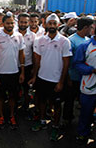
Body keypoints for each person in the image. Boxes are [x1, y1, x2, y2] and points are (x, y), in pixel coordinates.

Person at [29, 13, 72, 141]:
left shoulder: (65, 41)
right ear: (46, 24)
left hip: (56, 80)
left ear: (58, 25)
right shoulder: (39, 40)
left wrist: (61, 82)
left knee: (57, 105)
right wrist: (35, 77)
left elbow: (66, 63)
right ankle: (42, 121)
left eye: (54, 23)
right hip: (42, 78)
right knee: (42, 101)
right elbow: (37, 61)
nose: (52, 26)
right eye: (50, 23)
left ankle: (55, 125)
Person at [0, 14, 25, 130]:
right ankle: (1, 116)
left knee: (12, 96)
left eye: (12, 23)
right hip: (0, 73)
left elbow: (21, 54)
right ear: (3, 24)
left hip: (14, 73)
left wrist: (22, 72)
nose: (10, 25)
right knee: (0, 97)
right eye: (7, 23)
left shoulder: (19, 36)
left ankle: (11, 116)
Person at [62, 17, 94, 125]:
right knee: (69, 100)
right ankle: (67, 119)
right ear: (85, 27)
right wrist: (68, 77)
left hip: (83, 77)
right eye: (90, 27)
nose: (91, 30)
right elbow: (67, 61)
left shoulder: (87, 40)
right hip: (72, 76)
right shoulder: (71, 40)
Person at [17, 12, 36, 118]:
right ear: (18, 22)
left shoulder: (33, 36)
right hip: (15, 66)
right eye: (21, 22)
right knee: (15, 88)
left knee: (27, 88)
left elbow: (34, 53)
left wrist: (34, 68)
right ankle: (14, 107)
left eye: (25, 22)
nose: (23, 24)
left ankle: (26, 107)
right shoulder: (13, 34)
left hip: (28, 66)